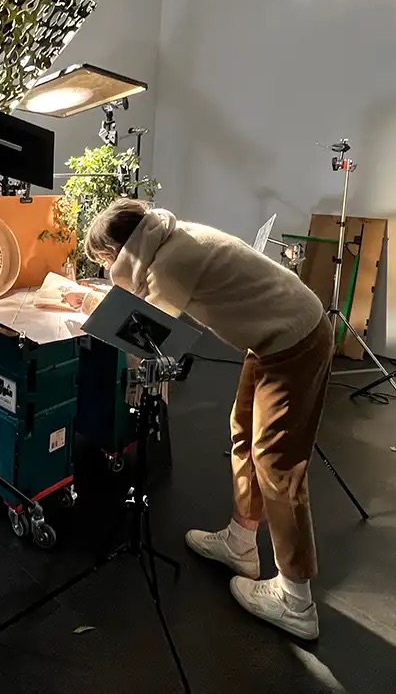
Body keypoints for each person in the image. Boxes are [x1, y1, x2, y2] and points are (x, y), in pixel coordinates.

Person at [84, 198, 333, 641]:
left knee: (277, 466)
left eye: (105, 258)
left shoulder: (170, 263)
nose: (106, 267)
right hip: (272, 337)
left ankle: (296, 600)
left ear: (123, 250)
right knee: (244, 434)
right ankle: (241, 543)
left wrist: (86, 309)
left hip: (294, 340)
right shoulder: (172, 237)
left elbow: (147, 335)